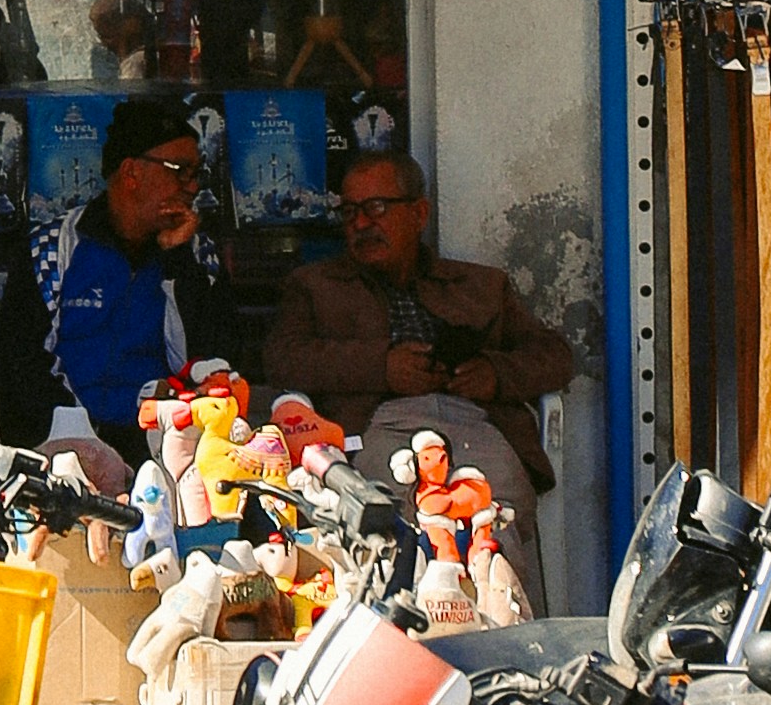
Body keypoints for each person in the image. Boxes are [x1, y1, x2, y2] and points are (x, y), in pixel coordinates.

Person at [274, 132, 578, 491]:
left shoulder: (480, 285)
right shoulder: (314, 286)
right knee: (390, 513)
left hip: (476, 423)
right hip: (376, 428)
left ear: (418, 213)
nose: (360, 224)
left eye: (376, 208)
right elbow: (283, 360)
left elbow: (554, 356)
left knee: (495, 508)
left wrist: (494, 374)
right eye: (350, 212)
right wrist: (382, 367)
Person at [35, 88, 220, 457]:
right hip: (68, 444)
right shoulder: (52, 247)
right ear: (131, 172)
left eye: (196, 173)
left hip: (167, 443)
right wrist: (81, 437)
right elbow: (25, 368)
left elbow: (212, 364)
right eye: (180, 172)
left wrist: (176, 260)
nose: (193, 186)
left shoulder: (199, 254)